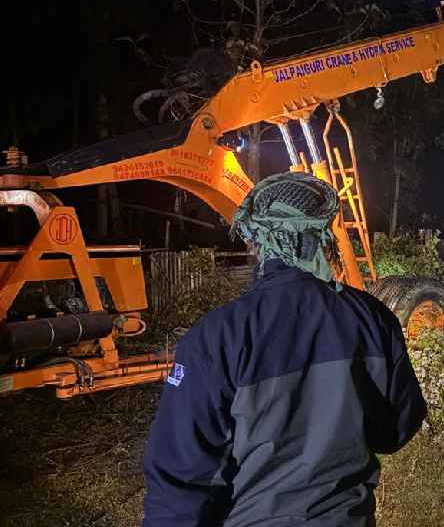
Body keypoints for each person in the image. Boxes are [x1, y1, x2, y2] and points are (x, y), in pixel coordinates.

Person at [142, 172, 426, 527]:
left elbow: (180, 475)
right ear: (322, 232)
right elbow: (396, 430)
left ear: (258, 239)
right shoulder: (372, 318)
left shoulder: (217, 336)